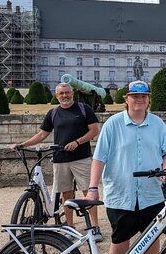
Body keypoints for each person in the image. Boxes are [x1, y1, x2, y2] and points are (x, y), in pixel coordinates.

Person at [86, 80, 166, 254]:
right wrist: (93, 188)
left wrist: (165, 171)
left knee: (151, 238)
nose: (140, 100)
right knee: (120, 238)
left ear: (148, 100)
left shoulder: (157, 123)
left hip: (151, 193)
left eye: (144, 96)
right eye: (135, 96)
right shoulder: (113, 124)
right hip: (121, 193)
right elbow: (99, 158)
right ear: (126, 99)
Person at [10, 82, 101, 239]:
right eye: (61, 93)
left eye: (67, 92)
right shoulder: (53, 113)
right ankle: (70, 227)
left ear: (72, 93)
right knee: (67, 193)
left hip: (81, 158)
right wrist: (22, 144)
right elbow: (42, 135)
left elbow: (94, 130)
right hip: (60, 159)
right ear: (56, 95)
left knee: (88, 192)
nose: (64, 96)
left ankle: (94, 226)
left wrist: (77, 142)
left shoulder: (83, 109)